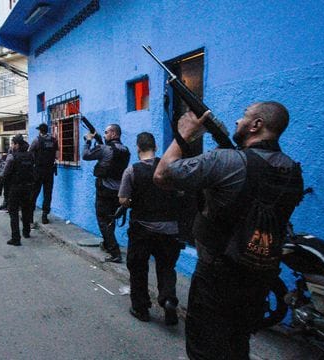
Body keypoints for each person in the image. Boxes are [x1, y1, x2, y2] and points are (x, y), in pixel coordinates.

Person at [154, 102, 304, 359]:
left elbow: (162, 175)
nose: (237, 121)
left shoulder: (227, 161)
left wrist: (185, 134)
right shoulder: (292, 170)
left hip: (217, 277)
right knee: (237, 344)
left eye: (244, 116)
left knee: (206, 349)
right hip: (258, 278)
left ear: (257, 125)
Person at [118, 132, 183, 325]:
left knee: (138, 267)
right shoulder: (169, 168)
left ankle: (141, 308)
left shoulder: (132, 170)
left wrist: (132, 200)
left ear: (138, 147)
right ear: (155, 147)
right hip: (169, 229)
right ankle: (169, 299)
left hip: (142, 228)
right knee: (166, 267)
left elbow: (123, 199)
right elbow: (180, 192)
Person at [82, 122, 130, 263]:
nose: (104, 134)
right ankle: (108, 245)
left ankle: (115, 253)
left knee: (103, 221)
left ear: (114, 134)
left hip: (105, 191)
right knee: (110, 221)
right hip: (118, 191)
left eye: (107, 132)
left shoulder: (104, 149)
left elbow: (86, 155)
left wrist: (88, 141)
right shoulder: (125, 149)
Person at [1, 135, 35, 246]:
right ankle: (26, 232)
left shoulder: (12, 157)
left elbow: (5, 173)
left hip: (15, 187)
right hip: (28, 187)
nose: (11, 146)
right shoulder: (31, 155)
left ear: (17, 144)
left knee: (13, 212)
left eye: (12, 144)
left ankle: (16, 238)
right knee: (26, 210)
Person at [28, 123, 58, 224]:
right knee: (47, 193)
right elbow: (56, 154)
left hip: (38, 170)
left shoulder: (37, 140)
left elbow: (29, 152)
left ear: (40, 131)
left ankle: (30, 215)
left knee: (34, 192)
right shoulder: (54, 140)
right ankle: (45, 215)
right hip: (49, 171)